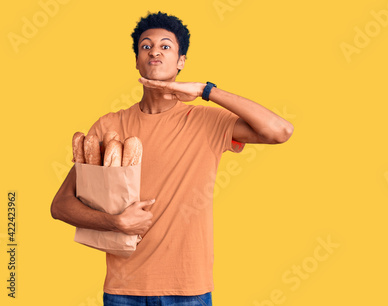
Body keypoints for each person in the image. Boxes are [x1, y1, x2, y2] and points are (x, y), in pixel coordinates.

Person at [51, 11, 293, 306]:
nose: (154, 51)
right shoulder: (107, 127)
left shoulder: (207, 120)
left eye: (166, 46)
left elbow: (280, 131)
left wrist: (206, 90)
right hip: (123, 291)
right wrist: (115, 222)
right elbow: (60, 205)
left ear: (181, 61)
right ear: (137, 60)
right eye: (145, 46)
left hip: (188, 289)